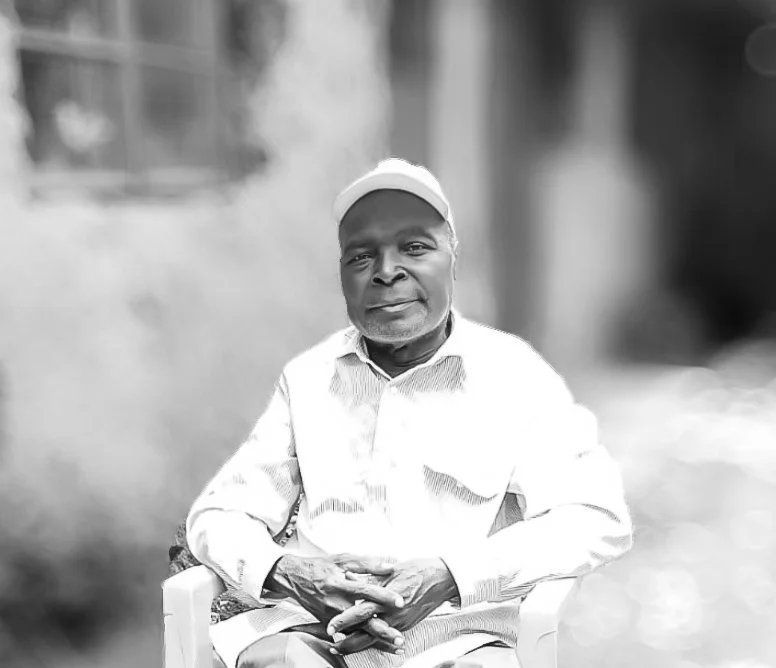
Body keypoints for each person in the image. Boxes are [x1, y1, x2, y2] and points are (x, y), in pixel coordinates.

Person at [186, 158, 633, 668]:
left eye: (415, 248)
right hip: (315, 635)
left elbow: (595, 516)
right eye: (361, 257)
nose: (386, 272)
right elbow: (219, 514)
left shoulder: (515, 375)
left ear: (452, 258)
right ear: (342, 275)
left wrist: (450, 575)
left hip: (459, 639)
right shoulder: (308, 379)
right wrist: (290, 573)